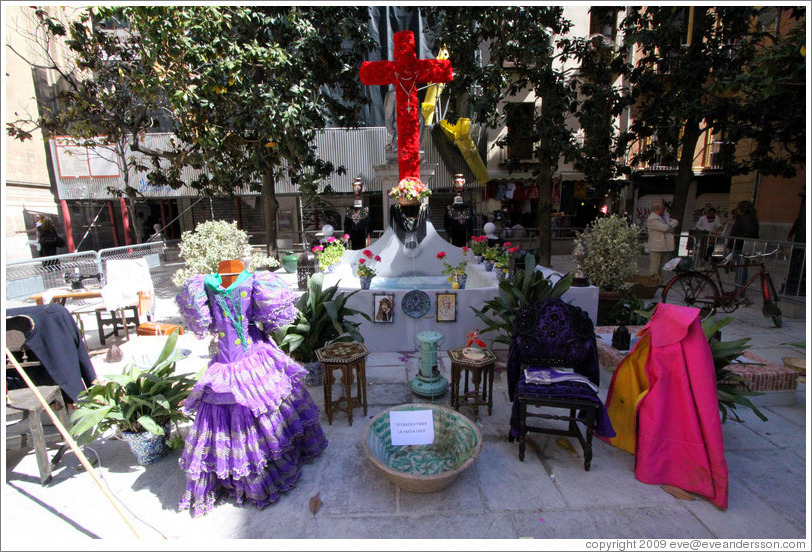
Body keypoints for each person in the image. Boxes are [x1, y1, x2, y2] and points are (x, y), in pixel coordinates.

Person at [175, 264, 328, 517]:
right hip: (229, 362)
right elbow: (265, 322)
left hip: (250, 354)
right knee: (253, 402)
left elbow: (267, 320)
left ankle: (251, 473)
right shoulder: (203, 286)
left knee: (270, 399)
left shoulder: (255, 281)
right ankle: (239, 476)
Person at [646, 200, 679, 286]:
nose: (664, 209)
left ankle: (663, 282)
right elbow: (664, 228)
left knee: (665, 266)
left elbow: (675, 222)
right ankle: (653, 282)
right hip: (657, 246)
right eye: (663, 207)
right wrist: (670, 226)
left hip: (667, 246)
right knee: (655, 266)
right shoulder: (652, 219)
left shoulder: (665, 217)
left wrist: (669, 226)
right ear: (658, 209)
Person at [729, 200, 760, 291]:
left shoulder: (747, 219)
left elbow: (748, 233)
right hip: (741, 246)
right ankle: (739, 289)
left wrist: (737, 240)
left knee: (741, 269)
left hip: (740, 246)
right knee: (741, 268)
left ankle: (739, 290)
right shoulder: (749, 218)